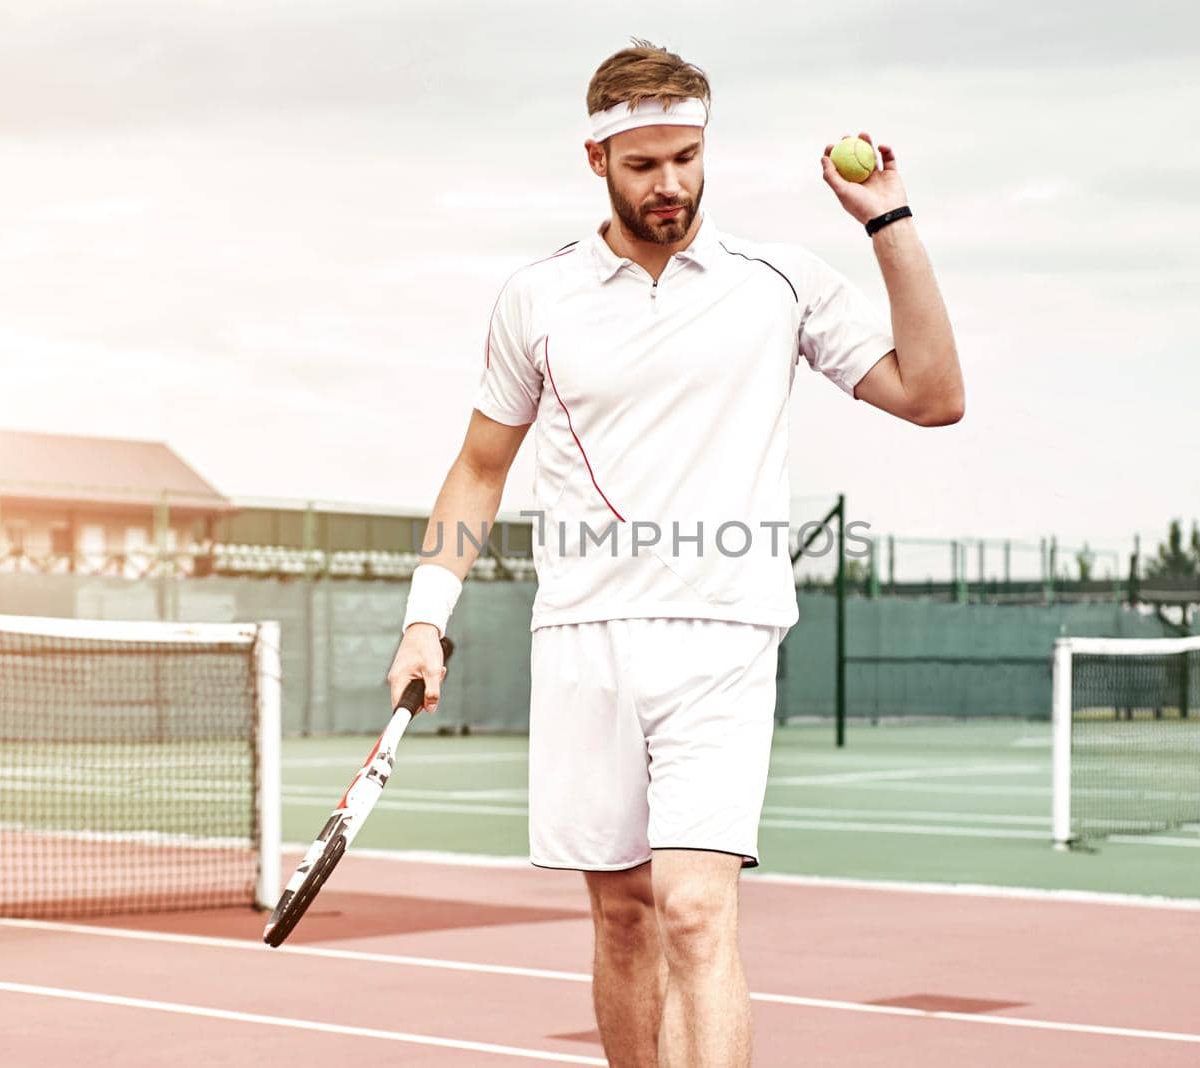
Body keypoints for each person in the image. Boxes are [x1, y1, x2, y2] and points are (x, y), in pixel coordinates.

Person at [387, 39, 962, 1068]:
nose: (670, 185)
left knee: (695, 909)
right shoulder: (537, 298)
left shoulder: (777, 282)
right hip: (583, 636)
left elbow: (932, 396)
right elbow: (479, 469)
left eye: (687, 159)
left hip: (725, 632)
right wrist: (425, 618)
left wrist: (888, 221)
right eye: (645, 164)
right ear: (596, 161)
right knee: (622, 920)